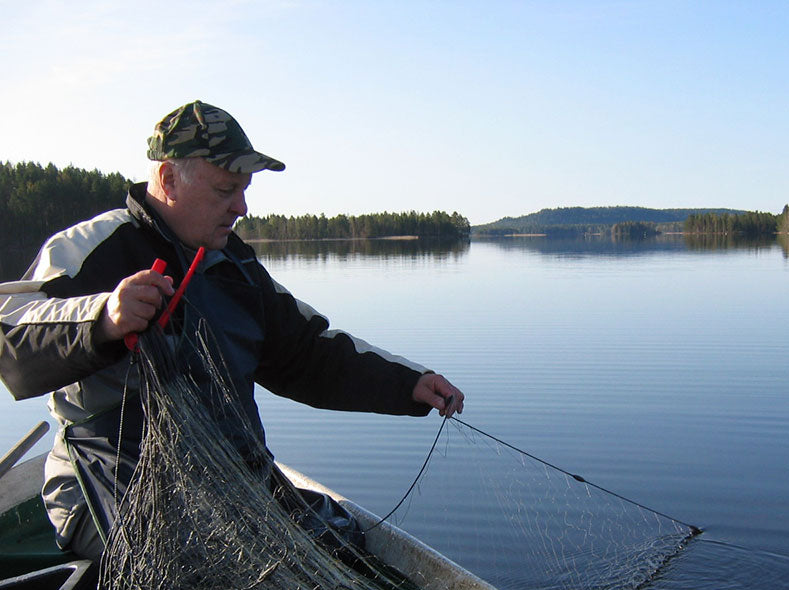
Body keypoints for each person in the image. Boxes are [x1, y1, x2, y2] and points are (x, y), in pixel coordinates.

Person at [0, 100, 464, 561]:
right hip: (110, 492)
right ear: (167, 180)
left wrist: (410, 385)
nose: (240, 207)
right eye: (225, 189)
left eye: (244, 189)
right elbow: (11, 342)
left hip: (228, 483)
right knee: (201, 566)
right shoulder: (91, 250)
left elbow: (308, 354)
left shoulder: (234, 264)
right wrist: (103, 318)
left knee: (335, 541)